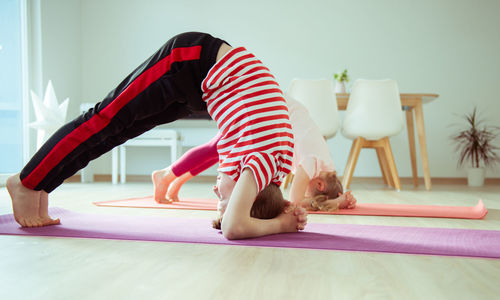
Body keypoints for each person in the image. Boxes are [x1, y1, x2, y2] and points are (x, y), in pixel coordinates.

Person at [7, 32, 307, 239]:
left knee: (116, 131)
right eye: (225, 199)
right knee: (104, 118)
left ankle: (43, 186)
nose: (216, 192)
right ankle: (26, 181)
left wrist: (281, 210)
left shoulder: (272, 165)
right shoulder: (260, 161)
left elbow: (245, 198)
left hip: (202, 87)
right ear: (251, 189)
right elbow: (234, 228)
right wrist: (281, 224)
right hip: (190, 61)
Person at [152, 97, 357, 215]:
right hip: (268, 108)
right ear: (320, 185)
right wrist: (334, 203)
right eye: (310, 192)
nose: (306, 192)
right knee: (217, 146)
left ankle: (173, 180)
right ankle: (166, 175)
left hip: (273, 109)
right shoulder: (313, 163)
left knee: (221, 148)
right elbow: (295, 200)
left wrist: (338, 199)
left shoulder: (324, 163)